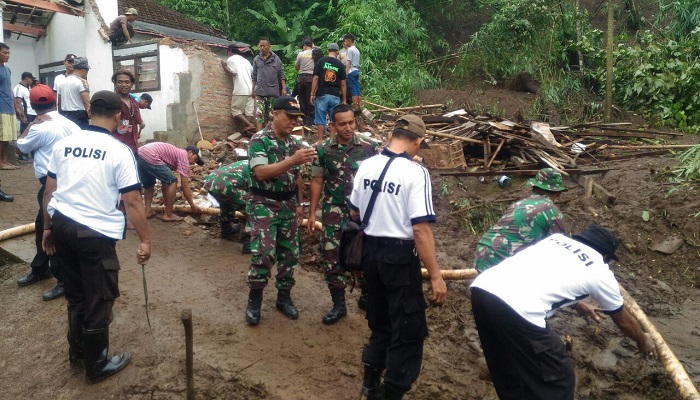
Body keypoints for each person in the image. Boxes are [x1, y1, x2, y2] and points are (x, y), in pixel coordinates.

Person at [470, 225, 655, 400]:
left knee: (507, 369)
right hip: (519, 310)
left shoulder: (555, 240)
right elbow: (622, 319)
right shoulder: (600, 272)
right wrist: (642, 339)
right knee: (559, 380)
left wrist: (577, 304)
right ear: (606, 256)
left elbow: (542, 275)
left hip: (483, 289)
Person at [41, 90, 151, 383]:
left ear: (89, 113)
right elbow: (133, 201)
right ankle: (97, 365)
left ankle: (77, 354)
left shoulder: (65, 145)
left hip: (62, 225)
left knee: (76, 296)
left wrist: (48, 227)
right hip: (93, 234)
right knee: (99, 297)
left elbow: (50, 191)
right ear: (118, 116)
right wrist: (145, 239)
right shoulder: (119, 150)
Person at [350, 114, 446, 399]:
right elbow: (420, 230)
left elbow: (354, 212)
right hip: (399, 258)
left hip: (370, 255)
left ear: (392, 135)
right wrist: (437, 275)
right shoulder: (416, 173)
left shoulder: (365, 166)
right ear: (417, 141)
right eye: (420, 144)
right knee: (408, 328)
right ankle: (390, 392)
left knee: (380, 321)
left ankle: (370, 383)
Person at [244, 96, 316, 326]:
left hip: (288, 205)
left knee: (290, 254)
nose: (293, 122)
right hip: (264, 203)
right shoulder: (259, 140)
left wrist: (301, 204)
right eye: (289, 117)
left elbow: (297, 178)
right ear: (275, 114)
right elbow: (261, 172)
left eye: (296, 118)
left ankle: (284, 298)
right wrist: (292, 160)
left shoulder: (293, 144)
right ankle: (254, 300)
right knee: (263, 254)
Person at [307, 104, 377, 325]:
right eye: (342, 124)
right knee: (331, 257)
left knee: (367, 255)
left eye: (351, 122)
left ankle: (367, 297)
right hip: (334, 212)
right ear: (333, 126)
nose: (348, 128)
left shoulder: (370, 148)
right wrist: (311, 213)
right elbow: (317, 181)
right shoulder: (323, 150)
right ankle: (338, 305)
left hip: (364, 214)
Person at [15, 84, 81, 300]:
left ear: (33, 106)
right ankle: (41, 268)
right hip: (72, 180)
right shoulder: (71, 125)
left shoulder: (39, 127)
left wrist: (29, 123)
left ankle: (63, 279)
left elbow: (19, 147)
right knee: (43, 227)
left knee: (52, 230)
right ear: (55, 102)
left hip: (52, 185)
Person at [474, 167, 568, 273]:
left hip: (483, 253)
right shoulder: (551, 210)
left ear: (534, 188)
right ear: (557, 193)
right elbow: (561, 247)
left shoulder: (518, 204)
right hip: (505, 261)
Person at [137, 142, 203, 221]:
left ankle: (147, 211)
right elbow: (185, 186)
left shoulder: (177, 153)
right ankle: (168, 214)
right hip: (151, 155)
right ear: (190, 152)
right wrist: (192, 205)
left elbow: (165, 181)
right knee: (172, 181)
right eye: (195, 159)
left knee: (149, 184)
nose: (193, 163)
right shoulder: (184, 156)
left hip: (140, 153)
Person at [202, 160, 252, 253]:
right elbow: (253, 190)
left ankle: (226, 230)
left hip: (210, 182)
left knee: (226, 203)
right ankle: (248, 243)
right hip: (226, 186)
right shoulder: (257, 167)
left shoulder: (245, 162)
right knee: (251, 209)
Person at [310, 43, 346, 144]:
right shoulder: (340, 65)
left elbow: (316, 78)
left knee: (320, 119)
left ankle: (320, 141)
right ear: (337, 52)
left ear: (328, 51)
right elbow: (343, 83)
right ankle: (331, 141)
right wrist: (344, 99)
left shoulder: (321, 61)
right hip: (335, 95)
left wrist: (312, 93)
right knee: (333, 119)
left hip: (322, 94)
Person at [221, 42, 256, 134]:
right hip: (250, 90)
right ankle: (247, 129)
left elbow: (233, 72)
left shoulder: (231, 59)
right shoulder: (246, 61)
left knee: (235, 110)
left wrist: (224, 66)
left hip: (240, 89)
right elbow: (253, 75)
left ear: (230, 51)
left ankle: (249, 125)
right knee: (249, 112)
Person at [252, 37, 286, 131]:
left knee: (271, 115)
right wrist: (252, 89)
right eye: (260, 46)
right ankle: (259, 133)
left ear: (269, 46)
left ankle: (271, 133)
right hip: (260, 91)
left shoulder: (276, 59)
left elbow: (281, 74)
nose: (262, 48)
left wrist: (283, 88)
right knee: (259, 113)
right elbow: (254, 75)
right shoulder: (256, 59)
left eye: (264, 46)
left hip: (272, 91)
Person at [111, 70, 143, 154]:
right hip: (116, 147)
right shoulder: (111, 101)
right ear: (115, 84)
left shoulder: (134, 102)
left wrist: (139, 124)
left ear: (132, 84)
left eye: (127, 82)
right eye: (120, 82)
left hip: (133, 146)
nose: (124, 85)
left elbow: (137, 120)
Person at [58, 57, 91, 129]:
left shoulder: (62, 82)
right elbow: (86, 102)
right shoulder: (81, 82)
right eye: (87, 71)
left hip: (64, 115)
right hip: (79, 117)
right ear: (83, 70)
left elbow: (59, 103)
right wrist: (90, 115)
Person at [0, 42, 18, 170]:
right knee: (1, 137)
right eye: (4, 52)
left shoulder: (7, 69)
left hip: (9, 107)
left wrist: (16, 105)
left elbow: (9, 88)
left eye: (8, 53)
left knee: (6, 137)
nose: (7, 55)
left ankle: (5, 160)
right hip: (0, 107)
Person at [294, 38, 315, 126]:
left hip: (301, 78)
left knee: (302, 100)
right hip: (311, 79)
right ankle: (310, 123)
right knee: (310, 100)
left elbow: (296, 67)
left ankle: (304, 121)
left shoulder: (300, 54)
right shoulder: (315, 53)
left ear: (305, 46)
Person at [343, 34, 362, 111]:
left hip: (351, 71)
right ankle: (359, 106)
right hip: (356, 70)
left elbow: (348, 63)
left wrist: (345, 73)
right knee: (357, 90)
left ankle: (355, 107)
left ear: (349, 41)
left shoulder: (350, 50)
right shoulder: (357, 50)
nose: (344, 43)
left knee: (353, 90)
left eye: (345, 41)